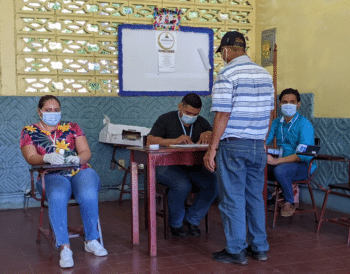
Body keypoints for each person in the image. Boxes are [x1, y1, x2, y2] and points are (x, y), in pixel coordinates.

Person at [203, 31, 274, 265]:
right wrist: (262, 140)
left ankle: (236, 250)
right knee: (255, 197)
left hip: (234, 146)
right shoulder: (265, 75)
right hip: (257, 146)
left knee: (232, 198)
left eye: (221, 53)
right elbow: (270, 114)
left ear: (225, 50)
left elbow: (223, 113)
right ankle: (260, 247)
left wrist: (212, 148)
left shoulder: (227, 73)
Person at [20, 95, 107, 269]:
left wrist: (78, 159)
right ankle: (65, 247)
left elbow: (86, 152)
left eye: (56, 110)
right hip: (51, 175)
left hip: (79, 171)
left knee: (88, 193)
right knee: (58, 196)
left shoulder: (72, 127)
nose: (53, 113)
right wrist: (46, 157)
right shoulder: (29, 131)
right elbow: (30, 157)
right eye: (48, 110)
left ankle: (91, 239)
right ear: (39, 112)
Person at [147, 93, 218, 237]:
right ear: (180, 106)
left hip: (193, 167)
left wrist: (210, 134)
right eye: (188, 113)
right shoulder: (166, 119)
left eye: (195, 114)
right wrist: (173, 141)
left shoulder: (202, 123)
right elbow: (150, 140)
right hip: (167, 167)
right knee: (182, 185)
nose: (191, 116)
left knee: (213, 183)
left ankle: (192, 219)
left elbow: (212, 136)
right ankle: (176, 224)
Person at [266, 88, 316, 217]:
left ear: (298, 104)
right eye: (284, 102)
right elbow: (265, 140)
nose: (288, 105)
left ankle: (289, 202)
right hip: (281, 162)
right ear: (280, 104)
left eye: (292, 102)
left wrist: (276, 161)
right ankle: (266, 198)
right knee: (255, 165)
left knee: (280, 170)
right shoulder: (277, 122)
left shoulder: (305, 124)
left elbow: (303, 155)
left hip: (303, 166)